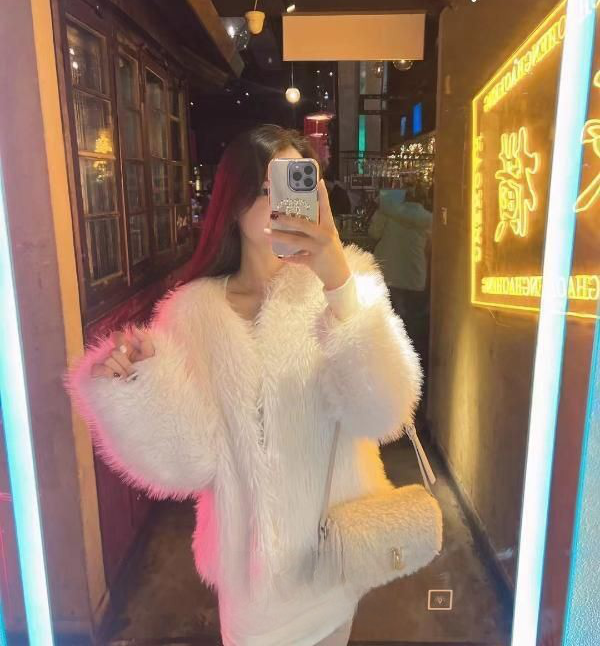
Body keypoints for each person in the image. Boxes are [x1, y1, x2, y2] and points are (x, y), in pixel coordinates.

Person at [65, 125, 423, 646]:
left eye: (295, 181)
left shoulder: (347, 285)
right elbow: (190, 464)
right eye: (265, 187)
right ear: (233, 203)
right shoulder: (193, 313)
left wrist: (337, 280)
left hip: (331, 566)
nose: (281, 201)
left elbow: (385, 411)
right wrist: (137, 388)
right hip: (250, 588)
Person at [368, 188, 432, 429]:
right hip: (415, 278)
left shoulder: (387, 211)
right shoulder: (427, 219)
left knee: (389, 330)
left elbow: (374, 232)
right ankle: (413, 391)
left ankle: (389, 387)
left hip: (390, 276)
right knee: (412, 333)